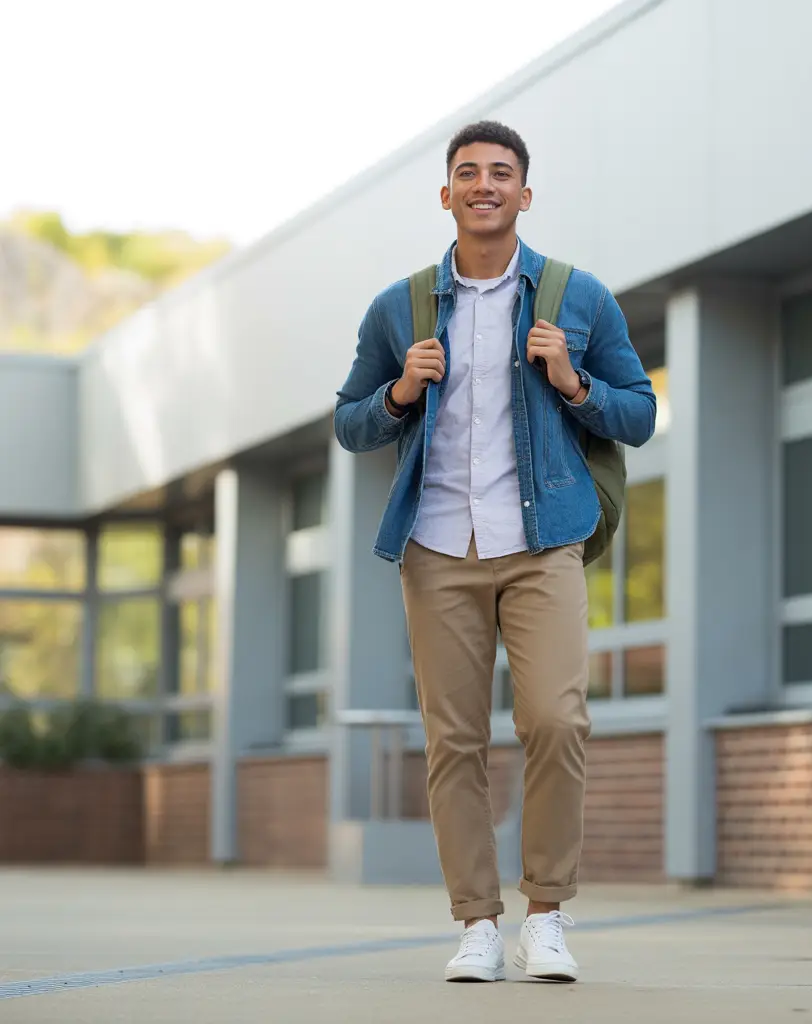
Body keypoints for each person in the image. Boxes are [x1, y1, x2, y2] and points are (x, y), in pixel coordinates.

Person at [334, 120, 656, 984]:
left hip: (542, 539)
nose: (485, 184)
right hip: (439, 545)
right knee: (455, 740)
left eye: (501, 172)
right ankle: (476, 924)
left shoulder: (578, 298)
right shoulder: (399, 306)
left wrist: (574, 382)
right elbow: (349, 422)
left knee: (556, 718)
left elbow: (639, 411)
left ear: (524, 193)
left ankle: (545, 915)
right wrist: (401, 390)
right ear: (447, 194)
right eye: (469, 172)